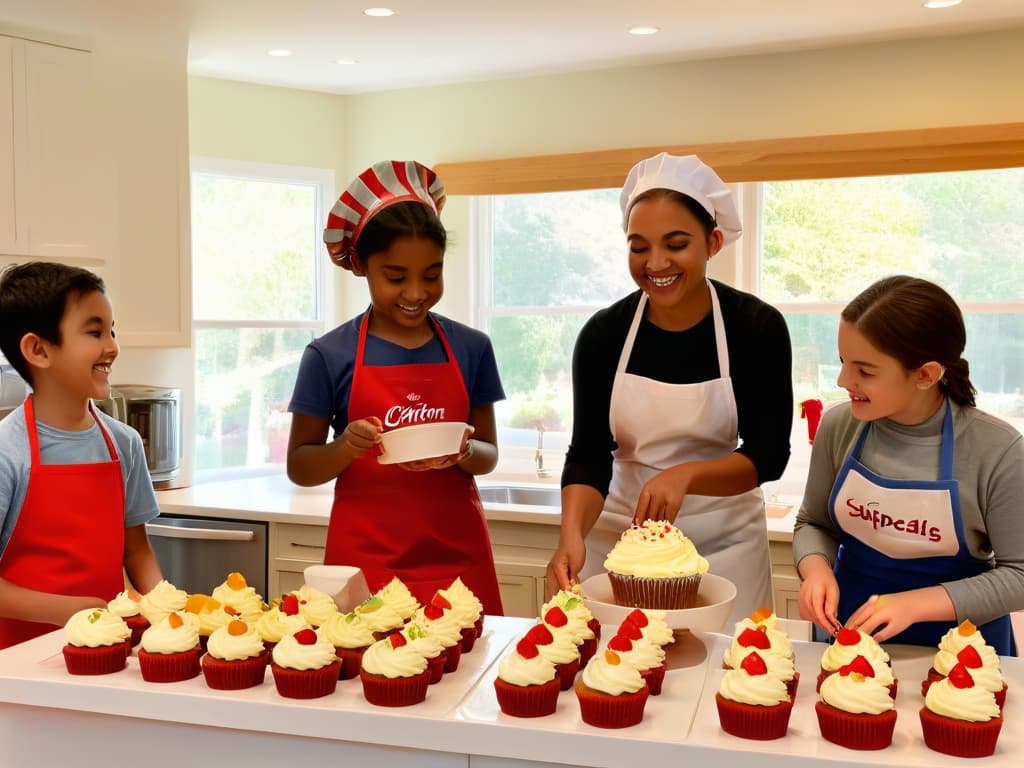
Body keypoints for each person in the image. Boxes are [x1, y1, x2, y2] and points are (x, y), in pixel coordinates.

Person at [545, 153, 793, 625]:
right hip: (621, 549)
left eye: (675, 244)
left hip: (725, 549)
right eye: (639, 247)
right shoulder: (604, 334)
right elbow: (589, 453)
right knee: (616, 677)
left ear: (712, 242)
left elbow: (768, 454)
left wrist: (686, 475)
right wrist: (571, 534)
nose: (655, 263)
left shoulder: (755, 327)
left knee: (731, 680)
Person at [287, 160, 506, 615]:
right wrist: (346, 446)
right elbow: (301, 466)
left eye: (431, 274)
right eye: (395, 276)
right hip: (366, 568)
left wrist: (464, 451)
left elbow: (488, 455)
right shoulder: (329, 355)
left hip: (458, 568)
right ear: (363, 266)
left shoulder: (472, 348)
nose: (415, 293)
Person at [794, 276, 1024, 655]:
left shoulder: (997, 449)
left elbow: (1018, 574)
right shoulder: (839, 427)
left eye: (865, 371)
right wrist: (816, 569)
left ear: (926, 375)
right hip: (851, 640)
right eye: (842, 362)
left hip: (963, 658)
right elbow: (813, 523)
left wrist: (914, 604)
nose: (843, 381)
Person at [0, 262, 164, 649]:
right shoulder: (8, 452)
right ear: (38, 350)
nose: (112, 346)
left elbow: (137, 551)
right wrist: (72, 611)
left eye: (112, 330)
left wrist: (169, 608)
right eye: (94, 332)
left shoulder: (124, 445)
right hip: (18, 665)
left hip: (106, 654)